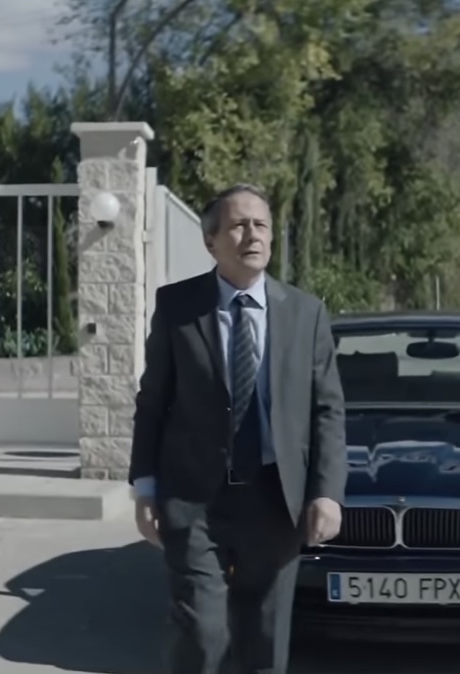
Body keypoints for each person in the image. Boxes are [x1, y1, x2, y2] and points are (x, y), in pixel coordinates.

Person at [129, 184, 348, 674]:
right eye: (239, 225)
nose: (253, 235)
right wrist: (145, 488)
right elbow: (153, 402)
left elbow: (327, 409)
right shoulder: (178, 307)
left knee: (265, 640)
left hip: (275, 498)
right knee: (204, 634)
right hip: (194, 499)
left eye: (261, 224)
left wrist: (327, 492)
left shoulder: (306, 313)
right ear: (211, 241)